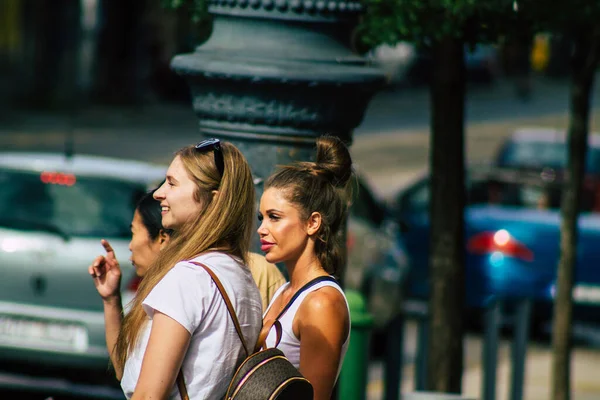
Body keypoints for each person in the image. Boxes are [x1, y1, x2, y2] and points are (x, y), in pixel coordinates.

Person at [91, 139, 263, 399]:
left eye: (172, 183)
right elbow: (131, 374)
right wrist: (111, 300)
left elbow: (148, 394)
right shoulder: (241, 276)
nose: (159, 193)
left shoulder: (188, 278)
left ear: (211, 200)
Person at [259, 136, 352, 400]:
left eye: (274, 217)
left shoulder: (322, 302)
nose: (262, 229)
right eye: (261, 217)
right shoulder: (285, 290)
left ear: (312, 223)